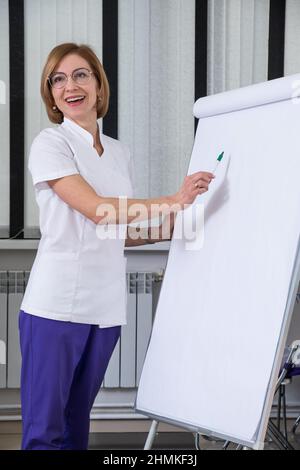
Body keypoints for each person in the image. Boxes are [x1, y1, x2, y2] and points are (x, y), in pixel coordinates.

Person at [19, 42, 214, 450]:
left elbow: (116, 230)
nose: (70, 86)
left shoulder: (119, 153)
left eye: (80, 75)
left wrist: (174, 224)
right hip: (56, 307)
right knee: (45, 432)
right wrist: (171, 200)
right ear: (51, 94)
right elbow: (96, 210)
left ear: (99, 86)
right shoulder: (51, 144)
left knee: (77, 425)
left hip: (105, 310)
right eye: (58, 79)